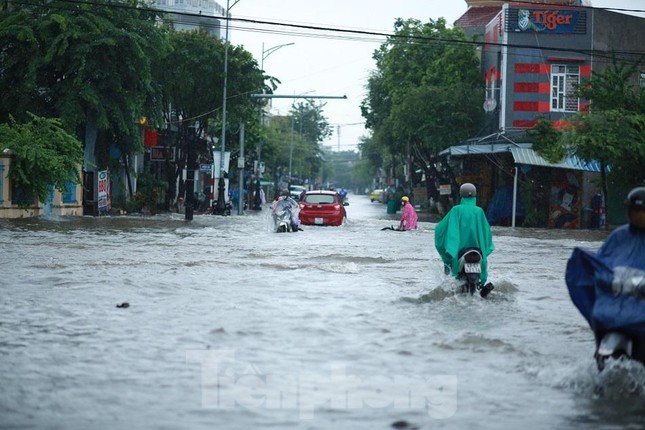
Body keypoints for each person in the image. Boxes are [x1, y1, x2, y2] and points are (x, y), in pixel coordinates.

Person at [566, 187, 645, 366]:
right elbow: (601, 263)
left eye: (643, 213)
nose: (640, 217)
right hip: (612, 309)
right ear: (629, 212)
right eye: (636, 212)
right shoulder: (618, 236)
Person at [434, 183, 494, 285]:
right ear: (475, 196)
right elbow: (486, 233)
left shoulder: (456, 210)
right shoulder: (479, 211)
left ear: (461, 195)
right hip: (477, 251)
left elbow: (441, 228)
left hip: (460, 252)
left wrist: (439, 234)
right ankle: (481, 283)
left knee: (453, 278)